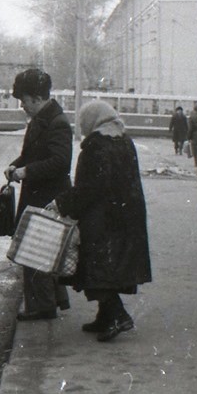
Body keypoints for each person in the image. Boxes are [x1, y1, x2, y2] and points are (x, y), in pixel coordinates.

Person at [52, 101, 151, 342]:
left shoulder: (97, 146)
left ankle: (118, 315)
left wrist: (61, 203)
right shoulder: (124, 140)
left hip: (102, 218)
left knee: (96, 268)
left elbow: (90, 187)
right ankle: (104, 316)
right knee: (110, 268)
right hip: (126, 217)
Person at [5, 68, 72, 321]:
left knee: (36, 253)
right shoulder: (45, 120)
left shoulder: (57, 124)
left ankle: (42, 307)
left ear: (36, 98)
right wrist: (17, 164)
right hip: (40, 195)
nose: (22, 106)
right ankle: (48, 302)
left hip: (48, 198)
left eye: (24, 100)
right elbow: (33, 154)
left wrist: (26, 172)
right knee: (38, 252)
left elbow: (60, 162)